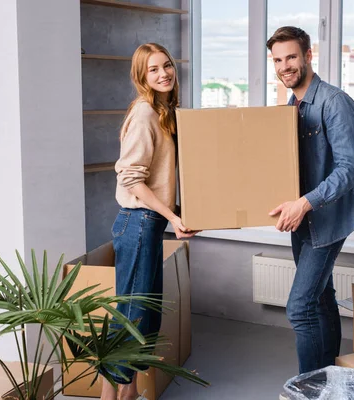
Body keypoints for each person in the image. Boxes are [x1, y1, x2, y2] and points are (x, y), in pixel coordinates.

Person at [267, 26, 354, 374]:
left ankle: (308, 390)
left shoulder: (334, 102)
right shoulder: (292, 104)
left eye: (291, 56)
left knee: (300, 307)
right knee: (322, 299)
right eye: (278, 60)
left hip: (327, 217)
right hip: (302, 218)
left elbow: (350, 168)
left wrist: (304, 203)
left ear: (308, 56)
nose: (284, 66)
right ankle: (329, 380)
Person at [100, 43, 196, 400]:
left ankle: (119, 397)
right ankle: (120, 397)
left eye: (167, 65)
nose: (164, 74)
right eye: (153, 70)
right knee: (135, 321)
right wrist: (172, 215)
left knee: (140, 320)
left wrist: (182, 211)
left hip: (147, 227)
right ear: (141, 77)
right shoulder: (144, 113)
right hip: (138, 223)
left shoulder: (163, 112)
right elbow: (131, 178)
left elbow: (165, 176)